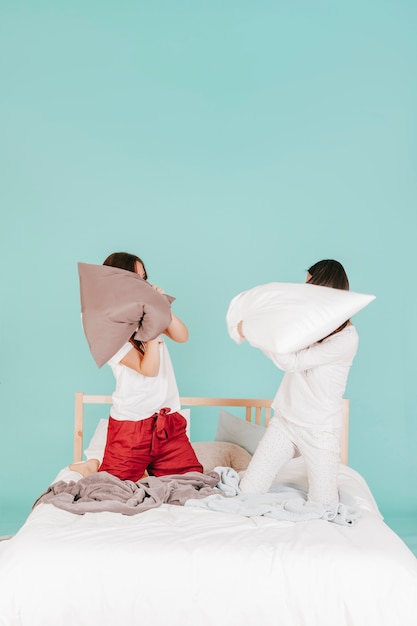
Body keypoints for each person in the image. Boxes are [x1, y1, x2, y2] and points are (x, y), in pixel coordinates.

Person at [70, 251, 203, 481]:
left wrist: (160, 306)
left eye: (144, 278)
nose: (143, 284)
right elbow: (148, 368)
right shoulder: (102, 323)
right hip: (132, 426)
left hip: (167, 422)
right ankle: (92, 465)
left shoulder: (147, 310)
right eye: (135, 278)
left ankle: (140, 469)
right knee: (112, 488)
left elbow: (182, 336)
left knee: (193, 483)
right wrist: (153, 323)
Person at [238, 259, 359, 508]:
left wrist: (255, 333)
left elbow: (292, 361)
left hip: (319, 429)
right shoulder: (305, 323)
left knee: (324, 505)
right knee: (248, 491)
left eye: (308, 283)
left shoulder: (347, 338)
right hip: (285, 422)